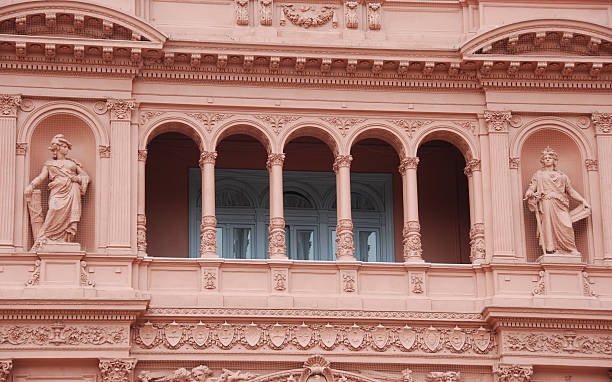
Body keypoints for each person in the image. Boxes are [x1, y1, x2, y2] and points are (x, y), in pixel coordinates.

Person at [25, 134, 89, 249]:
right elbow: (41, 177)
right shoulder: (49, 164)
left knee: (70, 218)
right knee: (53, 209)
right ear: (58, 148)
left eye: (67, 146)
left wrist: (77, 178)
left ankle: (65, 240)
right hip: (57, 192)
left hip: (71, 191)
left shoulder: (72, 163)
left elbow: (85, 177)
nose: (67, 149)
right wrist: (31, 185)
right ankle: (45, 237)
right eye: (64, 146)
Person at [524, 146, 589, 255]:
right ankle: (552, 248)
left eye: (550, 157)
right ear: (543, 161)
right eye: (545, 158)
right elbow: (531, 188)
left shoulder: (562, 176)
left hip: (561, 203)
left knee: (566, 225)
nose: (547, 159)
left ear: (555, 160)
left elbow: (571, 191)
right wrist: (529, 193)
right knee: (548, 226)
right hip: (547, 203)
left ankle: (570, 248)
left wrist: (583, 201)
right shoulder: (539, 175)